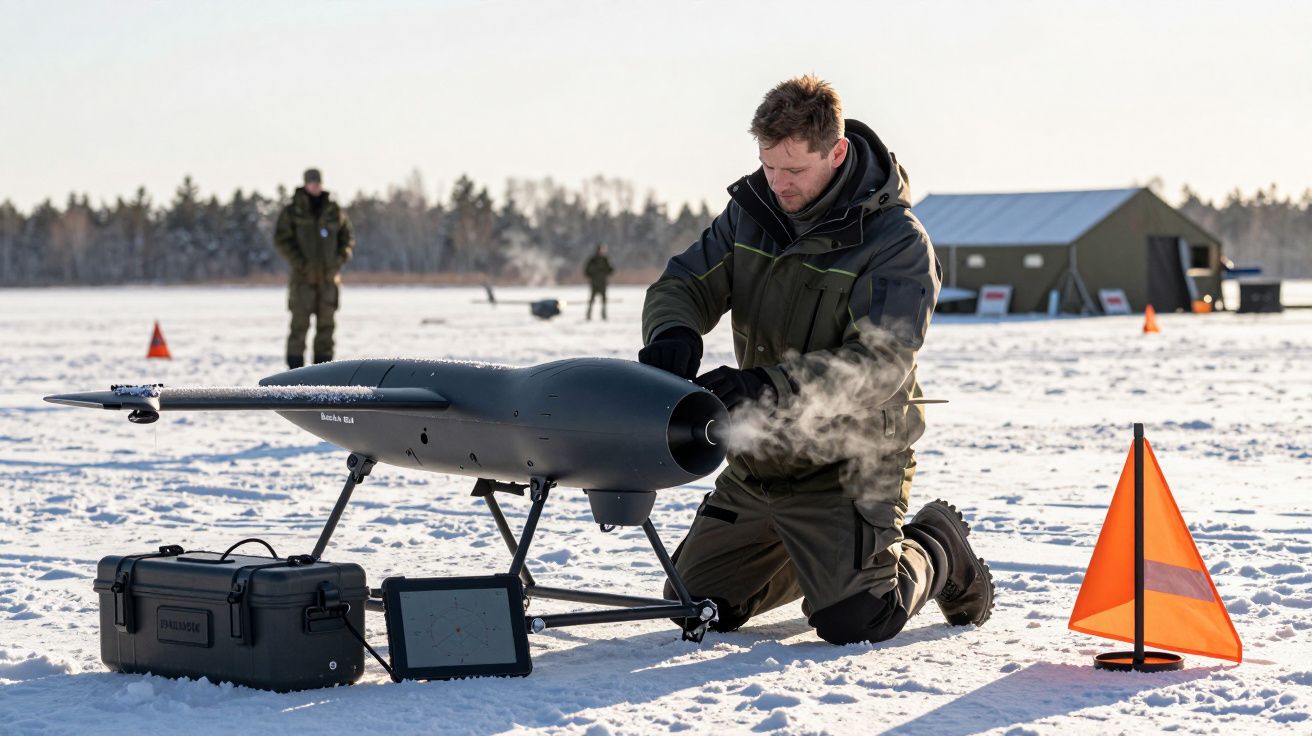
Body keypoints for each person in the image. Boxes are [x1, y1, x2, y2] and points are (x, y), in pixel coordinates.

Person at [638, 75, 993, 645]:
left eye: (794, 170)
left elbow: (879, 364)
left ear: (837, 152)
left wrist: (766, 387)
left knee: (856, 619)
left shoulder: (897, 241)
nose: (777, 183)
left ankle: (935, 546)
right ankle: (820, 560)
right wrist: (672, 329)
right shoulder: (751, 213)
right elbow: (684, 282)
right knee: (694, 608)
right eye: (768, 165)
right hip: (761, 462)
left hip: (850, 466)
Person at [273, 168, 355, 368]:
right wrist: (301, 264)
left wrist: (337, 261)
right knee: (299, 326)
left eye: (318, 182)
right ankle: (294, 374)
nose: (315, 186)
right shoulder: (293, 211)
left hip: (328, 279)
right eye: (312, 182)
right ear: (305, 184)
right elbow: (281, 240)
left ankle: (323, 371)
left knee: (326, 328)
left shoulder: (333, 210)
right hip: (303, 279)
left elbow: (347, 239)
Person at [584, 243, 615, 320]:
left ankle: (603, 314)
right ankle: (588, 314)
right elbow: (586, 270)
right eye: (601, 249)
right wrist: (590, 277)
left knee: (604, 300)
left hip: (602, 283)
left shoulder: (605, 259)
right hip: (594, 283)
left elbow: (611, 270)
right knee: (591, 300)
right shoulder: (592, 260)